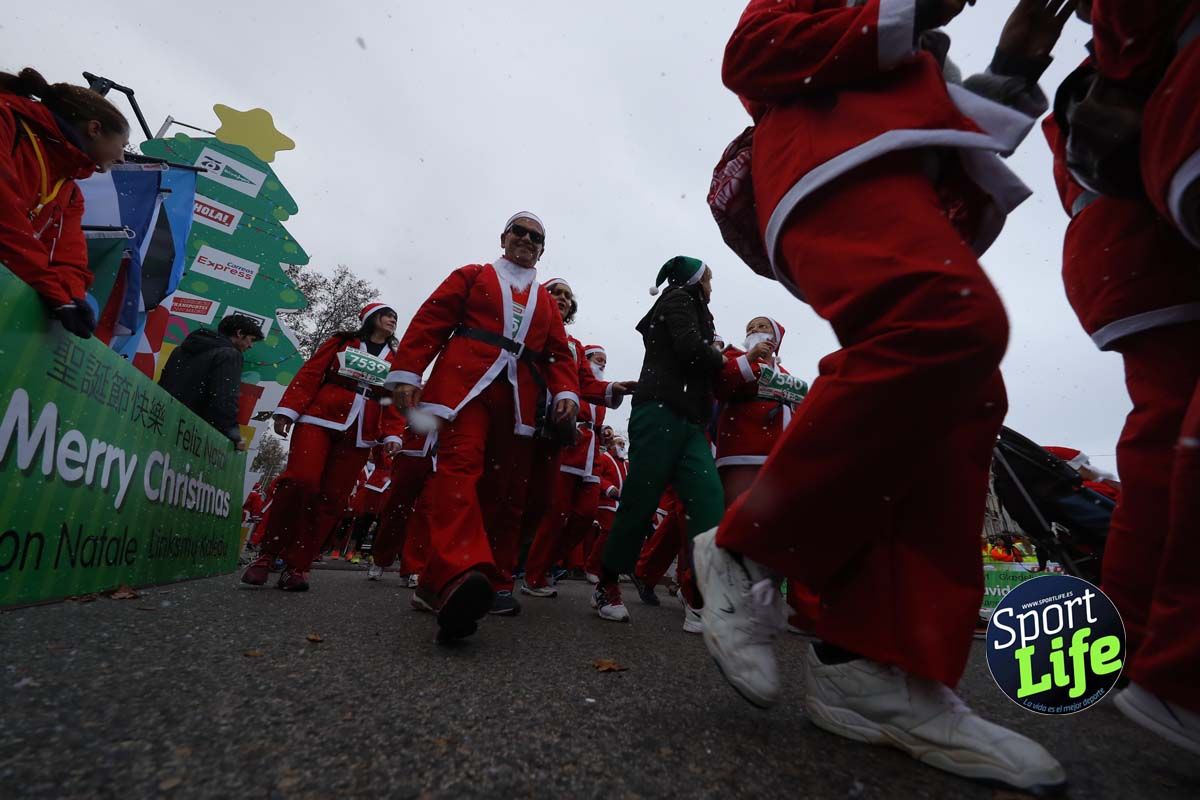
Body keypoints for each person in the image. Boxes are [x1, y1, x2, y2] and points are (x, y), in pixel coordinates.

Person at [695, 0, 1073, 792]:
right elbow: (753, 50)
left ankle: (869, 667)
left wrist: (1015, 66)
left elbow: (944, 124)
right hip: (825, 157)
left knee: (965, 391)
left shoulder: (911, 55)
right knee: (946, 324)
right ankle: (747, 547)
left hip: (897, 175)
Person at [1047, 1, 1200, 754]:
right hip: (1144, 251)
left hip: (1124, 258)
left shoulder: (1092, 77)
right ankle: (1165, 663)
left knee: (1160, 437)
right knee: (1166, 437)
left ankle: (1138, 649)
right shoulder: (1106, 69)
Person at [388, 211, 580, 643]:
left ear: (542, 249)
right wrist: (407, 372)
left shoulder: (546, 303)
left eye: (536, 237)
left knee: (502, 493)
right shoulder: (473, 275)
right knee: (459, 472)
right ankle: (460, 571)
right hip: (465, 387)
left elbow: (559, 356)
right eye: (520, 231)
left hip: (517, 401)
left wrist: (566, 394)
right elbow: (431, 320)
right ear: (504, 236)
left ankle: (457, 582)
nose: (527, 240)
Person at [596, 255, 726, 622]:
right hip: (659, 412)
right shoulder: (678, 299)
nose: (712, 288)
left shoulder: (698, 310)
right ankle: (606, 580)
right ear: (695, 280)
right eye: (709, 280)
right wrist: (721, 357)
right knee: (641, 500)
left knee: (709, 499)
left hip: (689, 421)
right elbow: (688, 347)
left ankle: (699, 597)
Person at [241, 303, 405, 591]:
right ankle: (266, 556)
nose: (392, 319)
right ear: (370, 319)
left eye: (395, 317)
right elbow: (311, 373)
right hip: (318, 418)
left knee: (332, 499)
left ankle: (298, 566)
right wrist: (288, 410)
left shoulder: (396, 358)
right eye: (387, 314)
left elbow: (392, 399)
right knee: (299, 482)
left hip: (360, 432)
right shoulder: (342, 342)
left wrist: (392, 434)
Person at [0, 68, 129, 338]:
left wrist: (72, 296)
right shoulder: (7, 121)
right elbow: (5, 217)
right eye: (123, 146)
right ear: (95, 128)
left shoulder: (69, 193)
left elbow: (67, 258)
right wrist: (53, 290)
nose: (122, 159)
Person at [522, 331, 633, 600]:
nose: (602, 364)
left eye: (605, 360)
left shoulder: (596, 386)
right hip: (570, 447)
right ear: (585, 359)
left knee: (585, 514)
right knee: (555, 513)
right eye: (598, 358)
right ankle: (533, 574)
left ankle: (551, 561)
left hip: (591, 455)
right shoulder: (572, 381)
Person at [158, 314, 264, 449]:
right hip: (190, 433)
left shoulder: (180, 349)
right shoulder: (230, 355)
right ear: (239, 333)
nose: (251, 346)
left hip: (162, 418)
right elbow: (224, 399)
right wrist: (234, 435)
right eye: (251, 339)